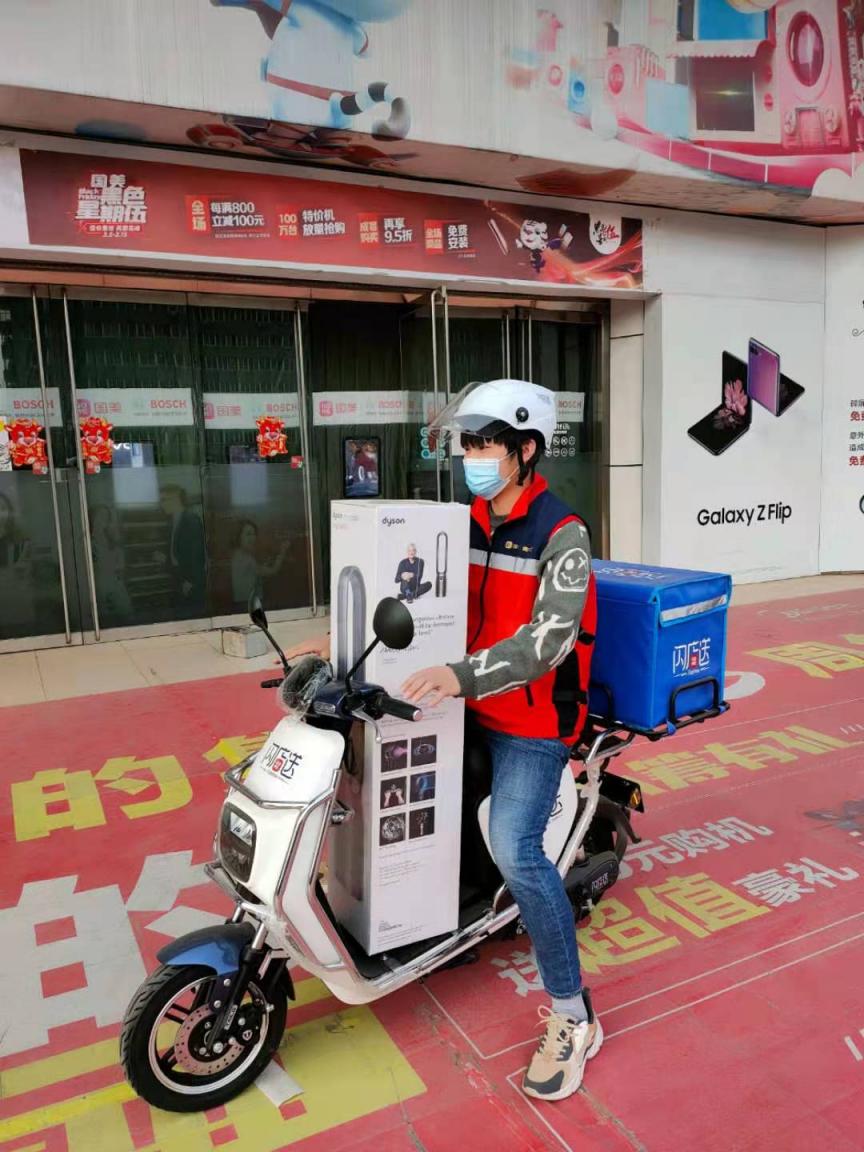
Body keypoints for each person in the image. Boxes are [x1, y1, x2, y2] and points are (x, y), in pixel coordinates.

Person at [283, 379, 599, 1103]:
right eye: (468, 444)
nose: (472, 457)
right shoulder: (463, 524)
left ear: (526, 450)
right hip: (460, 707)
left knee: (517, 851)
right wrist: (336, 642)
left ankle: (573, 1014)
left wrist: (460, 675)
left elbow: (547, 642)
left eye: (486, 445)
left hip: (530, 724)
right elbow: (410, 597)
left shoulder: (563, 534)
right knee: (380, 791)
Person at [153, 486, 207, 618]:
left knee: (193, 616)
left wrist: (191, 581)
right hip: (179, 578)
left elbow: (197, 554)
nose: (161, 504)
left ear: (176, 499)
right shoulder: (173, 521)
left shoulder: (191, 520)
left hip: (190, 582)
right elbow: (179, 555)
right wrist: (165, 559)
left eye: (164, 500)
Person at [231, 519, 290, 611]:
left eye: (254, 534)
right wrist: (283, 551)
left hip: (243, 603)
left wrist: (267, 563)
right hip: (247, 605)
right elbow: (273, 570)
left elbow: (253, 572)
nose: (252, 538)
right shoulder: (247, 559)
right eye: (248, 534)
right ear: (239, 537)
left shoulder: (238, 554)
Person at [90, 504, 133, 621]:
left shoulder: (113, 542)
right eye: (100, 517)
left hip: (115, 586)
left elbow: (121, 569)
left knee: (125, 614)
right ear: (93, 520)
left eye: (106, 518)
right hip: (100, 589)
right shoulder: (89, 545)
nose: (103, 521)